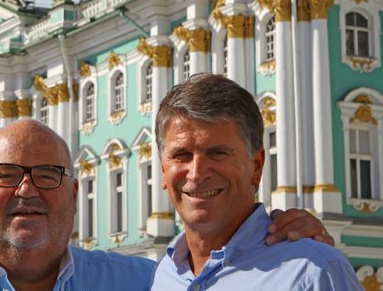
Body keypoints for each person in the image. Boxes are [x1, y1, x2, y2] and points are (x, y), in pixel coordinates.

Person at [0, 119, 332, 291]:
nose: (28, 190)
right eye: (6, 174)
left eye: (48, 175)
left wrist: (296, 245)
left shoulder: (147, 284)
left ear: (75, 195)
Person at [150, 73, 361, 290]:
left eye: (218, 153)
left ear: (257, 165)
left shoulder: (313, 270)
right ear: (163, 169)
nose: (196, 174)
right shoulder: (162, 275)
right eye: (181, 154)